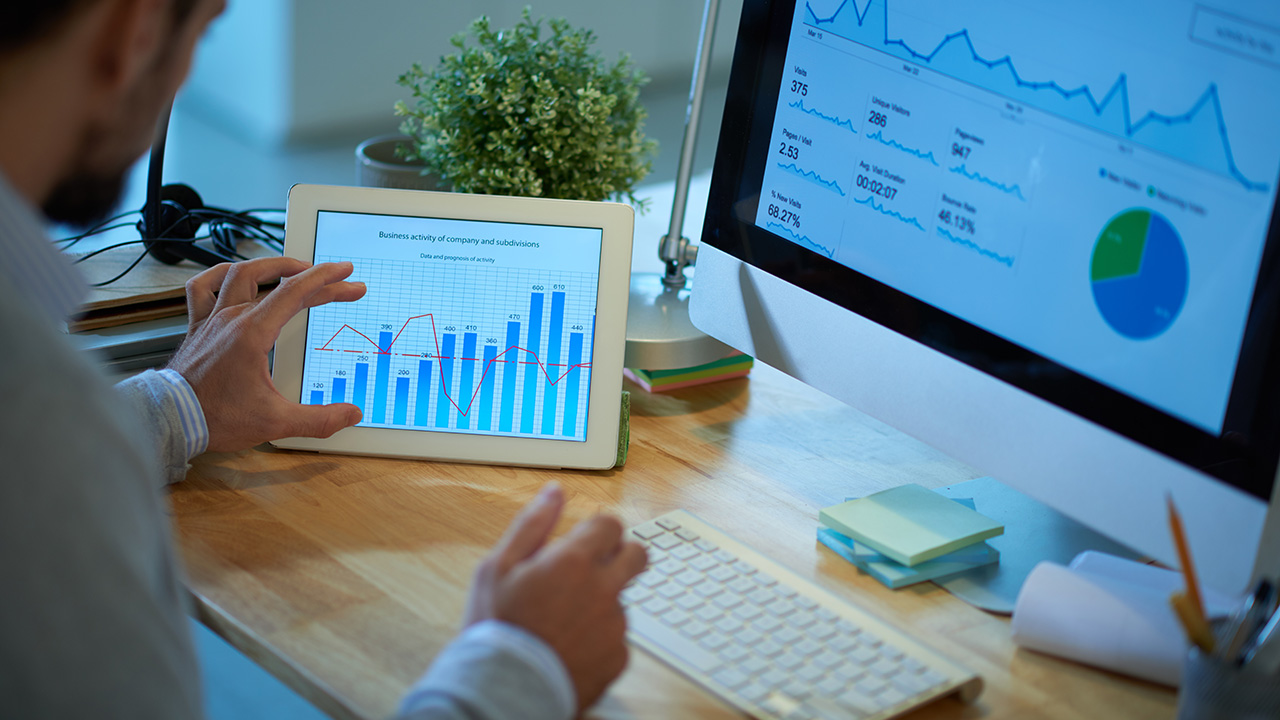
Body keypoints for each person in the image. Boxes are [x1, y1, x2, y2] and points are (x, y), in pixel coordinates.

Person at [0, 1, 646, 718]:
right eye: (205, 31)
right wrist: (521, 669)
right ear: (135, 31)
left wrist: (178, 400)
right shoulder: (39, 416)